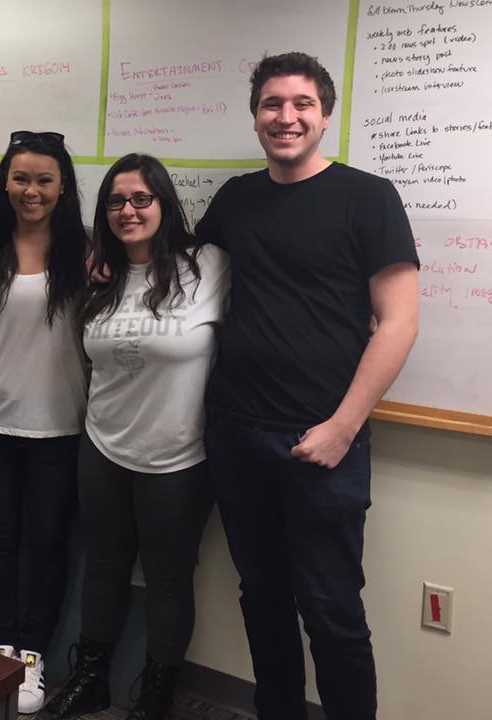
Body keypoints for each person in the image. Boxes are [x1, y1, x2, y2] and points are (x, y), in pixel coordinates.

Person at [196, 52, 419, 720]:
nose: (285, 117)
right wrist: (102, 259)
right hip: (236, 432)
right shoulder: (237, 199)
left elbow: (399, 323)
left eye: (300, 104)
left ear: (325, 114)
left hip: (324, 441)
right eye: (271, 104)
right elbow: (181, 274)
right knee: (261, 599)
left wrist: (342, 428)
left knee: (333, 611)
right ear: (256, 115)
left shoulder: (368, 197)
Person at [42, 153, 228, 720]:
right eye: (117, 201)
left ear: (165, 204)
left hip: (179, 456)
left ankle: (156, 694)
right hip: (102, 446)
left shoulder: (208, 265)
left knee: (169, 578)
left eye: (141, 199)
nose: (128, 210)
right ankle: (92, 677)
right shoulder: (101, 273)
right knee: (103, 565)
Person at [0, 130, 88, 714]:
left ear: (63, 187)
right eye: (20, 178)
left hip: (59, 426)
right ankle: (2, 645)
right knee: (1, 541)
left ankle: (32, 656)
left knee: (46, 544)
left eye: (43, 179)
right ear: (5, 182)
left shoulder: (87, 253)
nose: (30, 190)